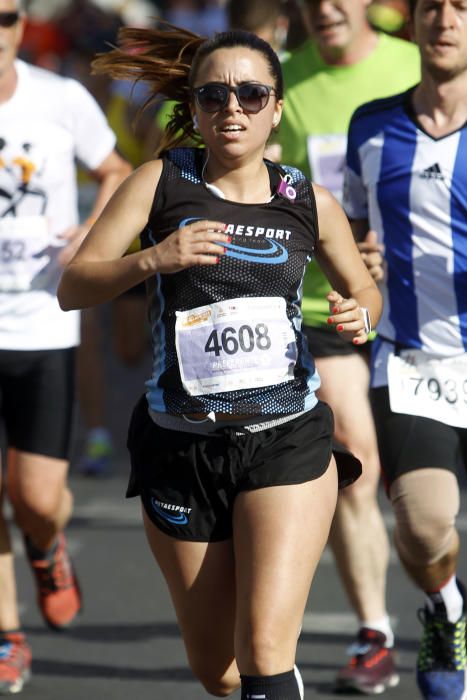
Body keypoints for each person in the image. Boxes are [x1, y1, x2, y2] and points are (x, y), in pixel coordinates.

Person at [57, 23, 382, 700]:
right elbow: (74, 286)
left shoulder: (304, 201)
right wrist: (154, 258)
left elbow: (365, 292)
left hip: (283, 438)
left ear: (276, 108)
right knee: (219, 670)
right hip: (181, 447)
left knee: (263, 648)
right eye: (213, 95)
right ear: (197, 109)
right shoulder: (158, 183)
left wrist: (361, 314)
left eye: (250, 94)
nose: (231, 108)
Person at [275, 1, 421, 693]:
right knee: (354, 457)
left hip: (425, 307)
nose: (324, 8)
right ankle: (374, 631)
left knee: (422, 486)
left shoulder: (418, 57)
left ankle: (439, 596)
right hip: (324, 303)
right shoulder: (281, 81)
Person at [0, 0, 131, 694]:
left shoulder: (60, 98)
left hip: (42, 320)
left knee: (37, 495)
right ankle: (7, 634)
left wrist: (89, 233)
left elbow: (113, 172)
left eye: (6, 17)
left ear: (21, 24)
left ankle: (47, 547)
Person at [343, 1, 467, 698]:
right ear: (412, 20)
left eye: (460, 7)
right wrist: (360, 273)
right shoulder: (372, 124)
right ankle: (444, 608)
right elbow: (354, 232)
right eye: (431, 6)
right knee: (422, 530)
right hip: (413, 360)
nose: (444, 20)